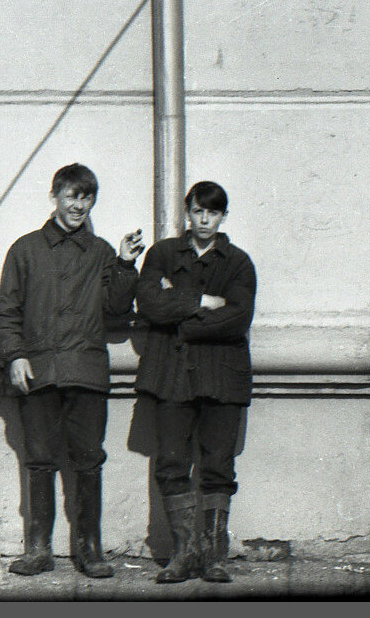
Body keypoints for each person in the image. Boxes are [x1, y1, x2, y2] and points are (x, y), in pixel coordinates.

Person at [0, 163, 144, 579]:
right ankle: (38, 548)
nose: (78, 205)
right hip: (38, 372)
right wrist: (15, 356)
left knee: (88, 461)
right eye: (71, 196)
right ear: (55, 197)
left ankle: (89, 549)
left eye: (86, 197)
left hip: (86, 373)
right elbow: (6, 313)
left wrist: (125, 264)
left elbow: (117, 311)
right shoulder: (25, 250)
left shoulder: (101, 253)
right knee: (39, 459)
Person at [133, 181, 257, 584]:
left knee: (218, 465)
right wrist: (202, 302)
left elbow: (238, 318)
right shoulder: (162, 254)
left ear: (223, 217)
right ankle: (183, 554)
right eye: (198, 211)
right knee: (171, 463)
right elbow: (149, 304)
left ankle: (213, 557)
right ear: (187, 213)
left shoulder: (238, 263)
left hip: (222, 375)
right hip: (172, 374)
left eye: (213, 213)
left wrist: (180, 317)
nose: (204, 220)